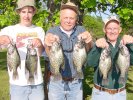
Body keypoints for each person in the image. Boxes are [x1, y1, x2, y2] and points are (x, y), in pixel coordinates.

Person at [44, 1, 93, 100]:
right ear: (60, 18)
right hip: (56, 82)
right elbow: (48, 54)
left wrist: (88, 41)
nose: (68, 21)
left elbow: (89, 49)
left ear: (76, 19)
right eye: (66, 18)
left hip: (76, 82)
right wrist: (48, 44)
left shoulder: (81, 29)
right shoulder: (52, 31)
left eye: (71, 18)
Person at [0, 0, 45, 100]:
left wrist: (40, 44)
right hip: (17, 84)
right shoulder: (8, 30)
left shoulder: (39, 30)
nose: (26, 15)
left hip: (37, 82)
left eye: (29, 12)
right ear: (19, 12)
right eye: (23, 12)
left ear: (33, 13)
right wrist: (1, 40)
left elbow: (41, 53)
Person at [87, 15, 133, 100]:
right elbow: (90, 63)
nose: (112, 31)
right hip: (100, 93)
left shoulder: (125, 44)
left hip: (120, 94)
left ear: (120, 30)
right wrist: (97, 48)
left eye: (115, 28)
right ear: (104, 30)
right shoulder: (100, 43)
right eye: (109, 28)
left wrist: (131, 45)